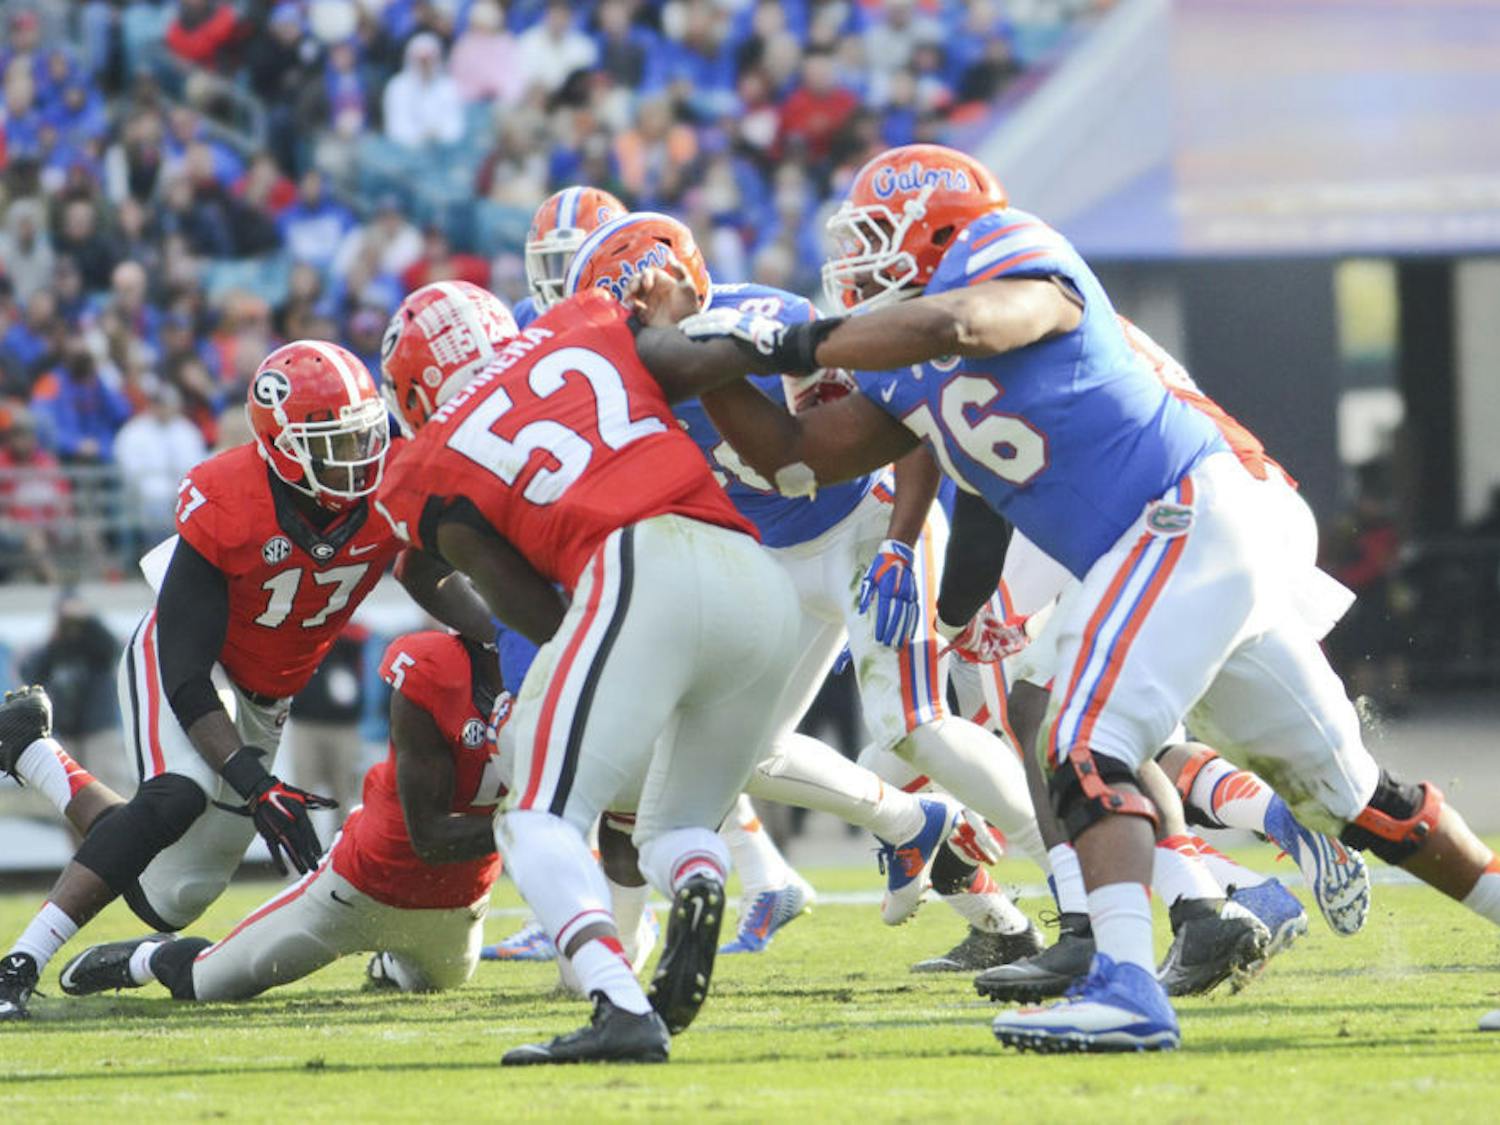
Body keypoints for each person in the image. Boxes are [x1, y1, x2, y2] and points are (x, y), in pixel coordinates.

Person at [624, 141, 1500, 1052]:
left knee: (1081, 735)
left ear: (945, 229)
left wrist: (790, 340)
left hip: (1187, 506)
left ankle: (1124, 981)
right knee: (1352, 795)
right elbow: (795, 456)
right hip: (1166, 540)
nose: (860, 261)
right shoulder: (893, 359)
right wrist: (711, 358)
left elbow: (970, 324)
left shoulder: (1007, 250)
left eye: (881, 237)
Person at [562, 212, 1043, 959]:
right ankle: (938, 856)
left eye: (628, 320)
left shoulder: (768, 324)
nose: (625, 343)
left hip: (865, 528)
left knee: (911, 721)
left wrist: (900, 543)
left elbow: (903, 416)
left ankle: (1077, 880)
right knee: (743, 752)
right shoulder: (631, 374)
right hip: (774, 561)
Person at [0, 340, 494, 1023]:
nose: (358, 458)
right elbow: (184, 674)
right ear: (284, 445)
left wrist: (501, 632)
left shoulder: (389, 487)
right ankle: (18, 961)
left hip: (268, 694)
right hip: (190, 668)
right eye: (336, 443)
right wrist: (256, 783)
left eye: (363, 436)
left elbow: (423, 571)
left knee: (172, 897)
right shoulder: (227, 498)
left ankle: (32, 752)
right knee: (175, 796)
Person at [377, 278, 801, 1065]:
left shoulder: (427, 460)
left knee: (534, 814)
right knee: (671, 826)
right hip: (760, 579)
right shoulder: (584, 322)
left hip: (642, 566)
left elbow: (526, 606)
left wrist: (609, 645)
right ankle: (703, 879)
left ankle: (615, 997)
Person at [54, 630, 508, 1002]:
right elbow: (428, 835)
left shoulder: (551, 677)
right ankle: (151, 958)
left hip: (458, 902)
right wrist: (529, 823)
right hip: (360, 886)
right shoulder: (436, 667)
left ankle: (390, 961)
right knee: (207, 985)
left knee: (435, 985)